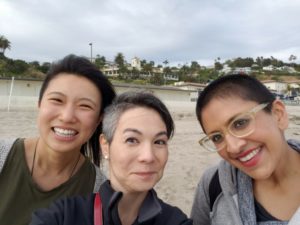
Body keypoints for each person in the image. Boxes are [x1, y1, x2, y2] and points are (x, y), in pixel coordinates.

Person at [29, 91, 193, 225]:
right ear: (105, 145)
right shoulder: (63, 216)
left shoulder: (175, 221)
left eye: (159, 141)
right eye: (132, 140)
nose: (148, 157)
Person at [0, 54, 116, 225]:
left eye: (85, 106)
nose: (67, 117)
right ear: (39, 104)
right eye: (57, 100)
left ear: (99, 119)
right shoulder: (3, 156)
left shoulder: (100, 191)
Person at [191, 74, 300, 224]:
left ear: (278, 115)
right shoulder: (212, 184)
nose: (233, 148)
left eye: (240, 123)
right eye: (217, 137)